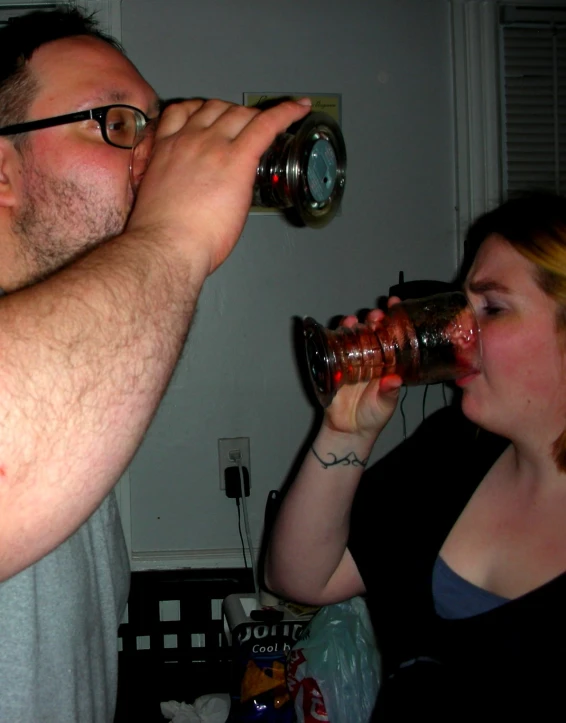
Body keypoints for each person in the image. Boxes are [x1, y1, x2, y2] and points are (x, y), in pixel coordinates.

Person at [0, 7, 311, 722]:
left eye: (152, 123)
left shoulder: (80, 390)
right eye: (114, 123)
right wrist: (175, 238)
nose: (153, 154)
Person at [265, 192, 566, 718]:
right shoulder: (453, 449)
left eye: (492, 309)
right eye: (462, 305)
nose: (454, 332)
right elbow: (299, 578)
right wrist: (345, 432)